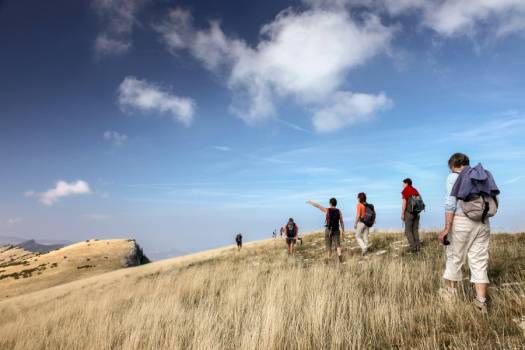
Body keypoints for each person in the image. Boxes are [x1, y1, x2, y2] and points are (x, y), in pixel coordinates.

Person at [438, 153, 499, 313]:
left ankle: (450, 298)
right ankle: (481, 302)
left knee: (455, 257)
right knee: (479, 261)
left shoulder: (453, 177)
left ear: (453, 165)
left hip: (461, 222)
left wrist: (447, 226)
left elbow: (450, 204)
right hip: (483, 222)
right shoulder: (482, 175)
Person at [307, 198, 345, 262]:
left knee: (328, 245)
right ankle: (340, 259)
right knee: (338, 245)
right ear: (336, 203)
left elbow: (318, 206)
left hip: (328, 229)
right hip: (336, 230)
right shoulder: (339, 211)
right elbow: (341, 221)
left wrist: (311, 202)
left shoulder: (327, 210)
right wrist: (343, 230)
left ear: (330, 203)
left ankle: (329, 259)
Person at [401, 178, 422, 252]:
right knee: (415, 230)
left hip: (409, 213)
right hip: (417, 213)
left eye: (403, 183)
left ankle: (412, 247)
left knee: (407, 231)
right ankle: (418, 247)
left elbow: (404, 203)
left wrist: (402, 213)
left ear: (406, 183)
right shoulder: (415, 190)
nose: (402, 185)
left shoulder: (406, 190)